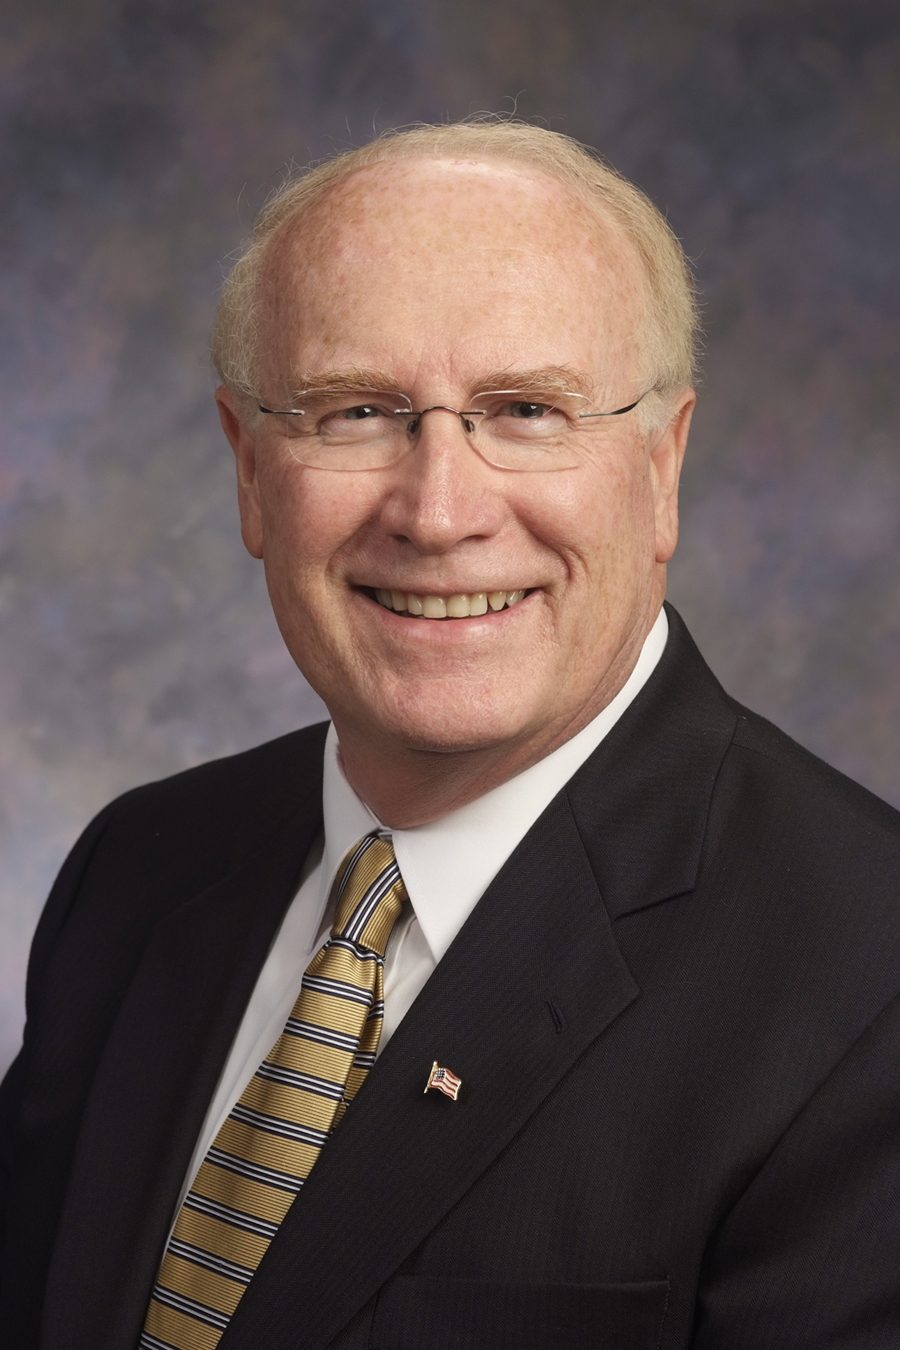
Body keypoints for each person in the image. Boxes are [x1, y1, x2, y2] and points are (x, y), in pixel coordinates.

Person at [1, 119, 899, 1350]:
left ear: (661, 468)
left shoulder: (867, 984)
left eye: (526, 409)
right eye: (357, 411)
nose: (437, 512)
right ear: (251, 471)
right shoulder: (142, 867)